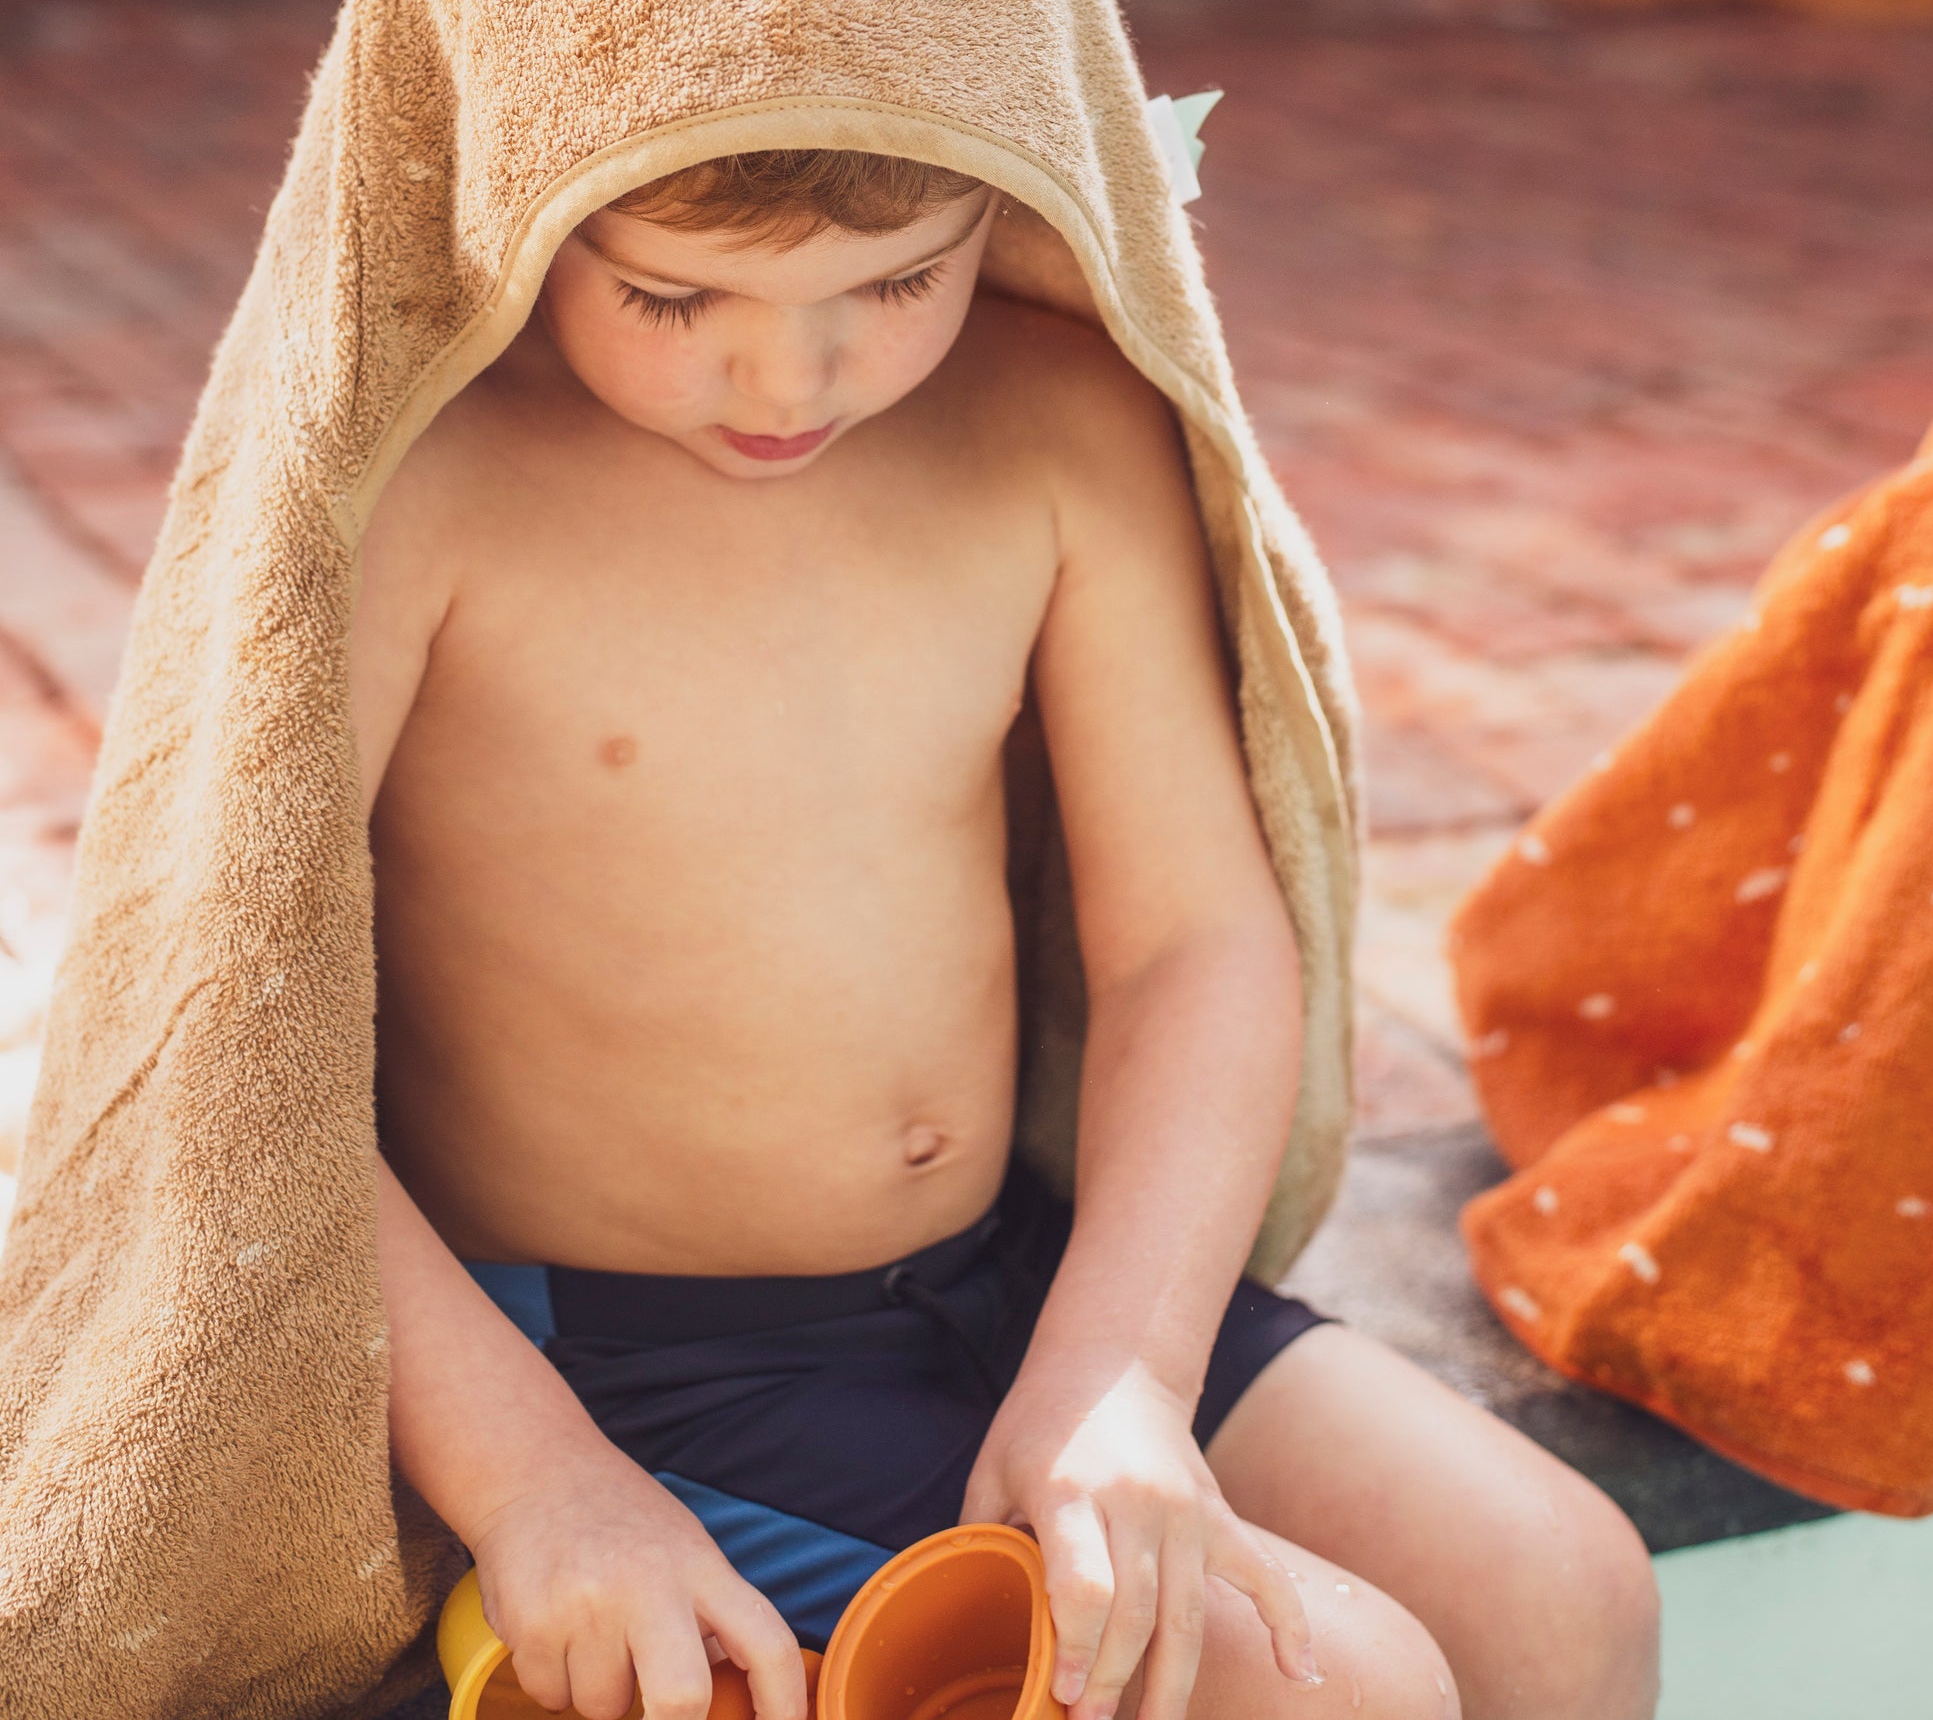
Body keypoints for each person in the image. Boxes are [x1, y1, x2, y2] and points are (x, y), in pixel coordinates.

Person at [354, 145, 1660, 1720]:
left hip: (1013, 1275)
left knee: (1559, 1589)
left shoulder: (1054, 418)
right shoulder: (418, 479)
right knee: (1344, 1690)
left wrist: (1119, 1377)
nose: (791, 374)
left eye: (898, 279)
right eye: (676, 298)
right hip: (635, 1380)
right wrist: (533, 1484)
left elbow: (1190, 939)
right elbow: (232, 1046)